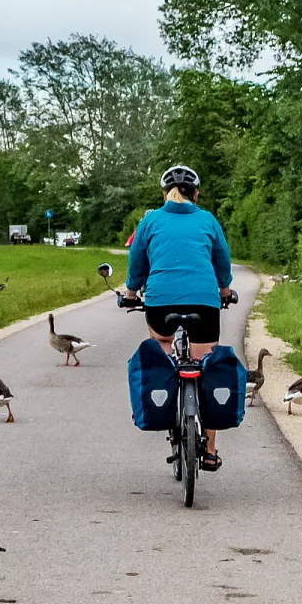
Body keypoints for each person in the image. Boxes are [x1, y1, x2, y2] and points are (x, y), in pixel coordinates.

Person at [124, 165, 234, 470]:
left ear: (164, 194)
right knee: (207, 368)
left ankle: (167, 406)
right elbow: (222, 261)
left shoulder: (150, 220)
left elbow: (137, 263)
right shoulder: (208, 220)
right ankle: (210, 449)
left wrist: (131, 293)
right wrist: (225, 290)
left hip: (160, 305)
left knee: (161, 351)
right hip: (205, 304)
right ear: (195, 194)